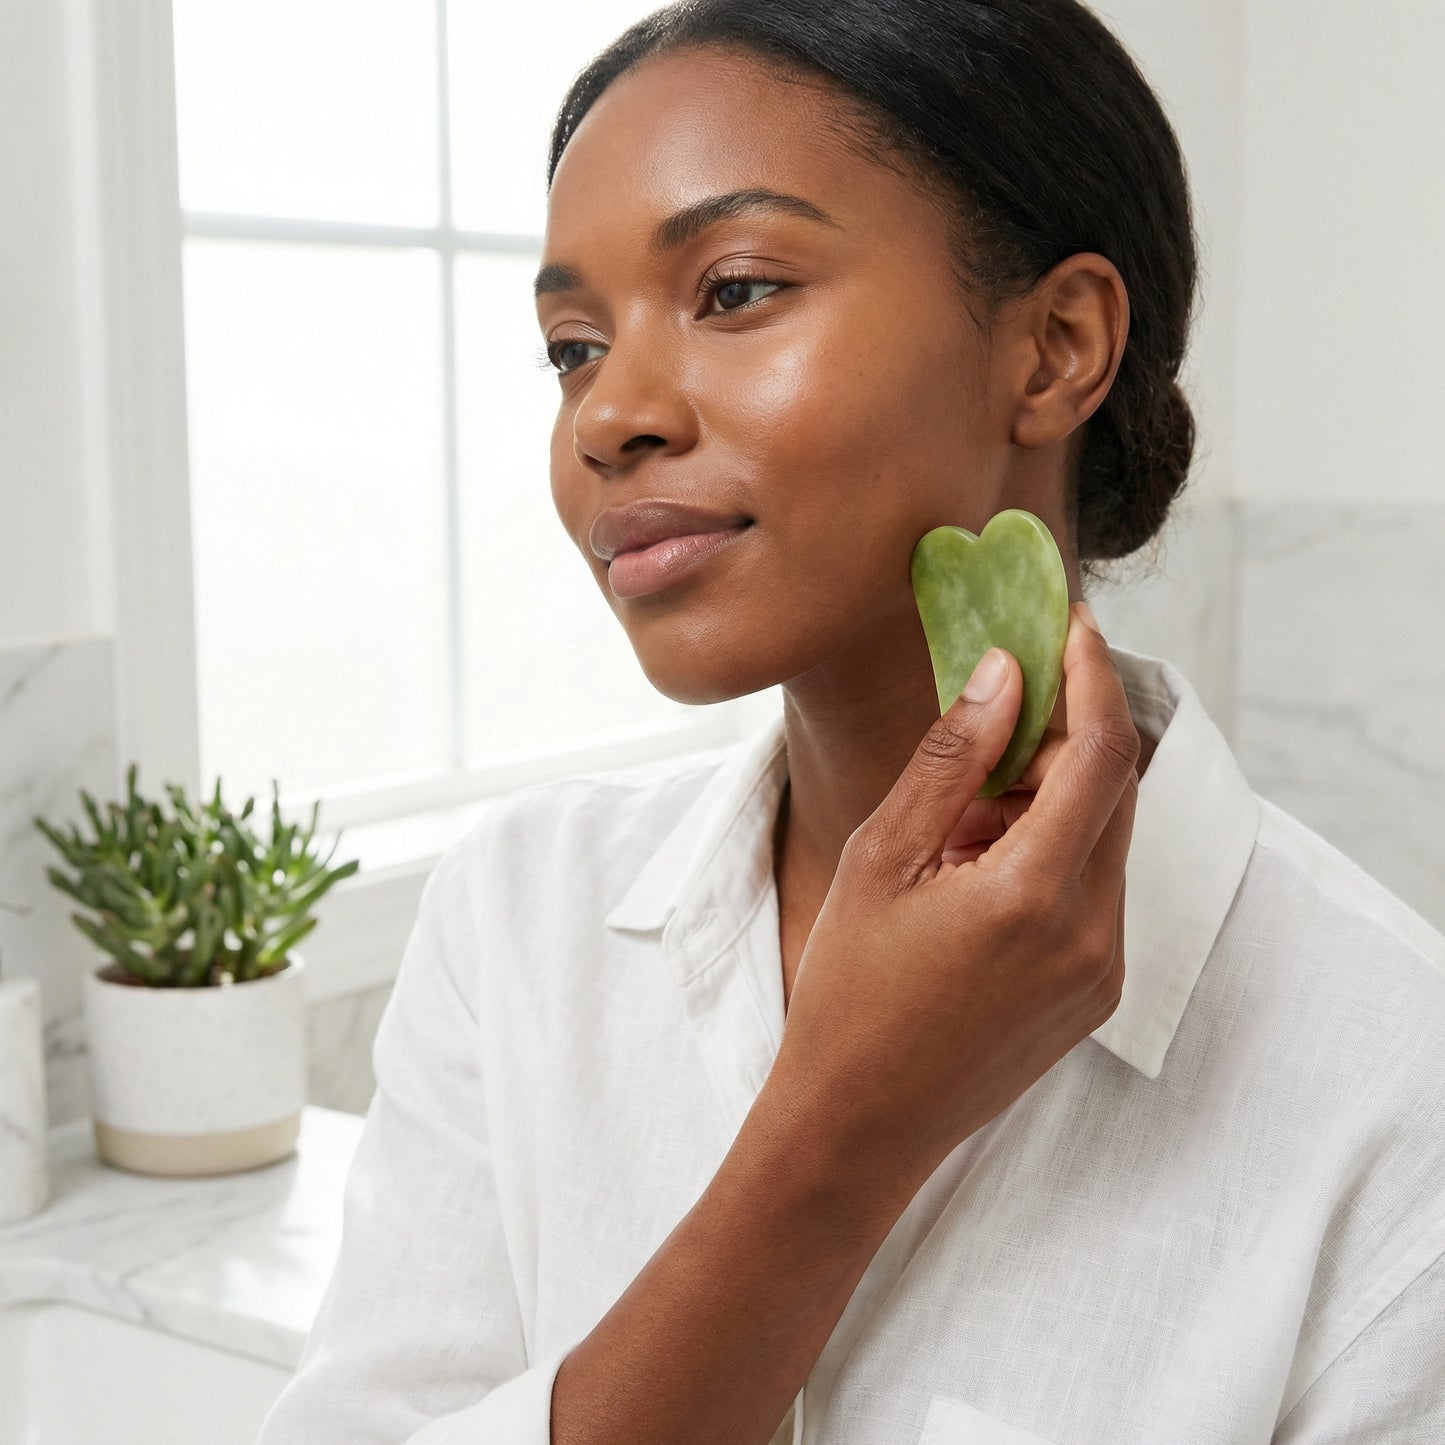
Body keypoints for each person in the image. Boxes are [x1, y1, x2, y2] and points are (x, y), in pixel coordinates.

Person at [257, 2, 1445, 1441]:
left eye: (736, 288)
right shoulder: (517, 918)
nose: (605, 416)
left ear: (1054, 347)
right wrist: (837, 1135)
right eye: (571, 346)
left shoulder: (1395, 1070)